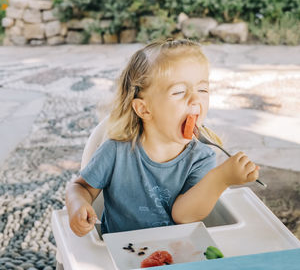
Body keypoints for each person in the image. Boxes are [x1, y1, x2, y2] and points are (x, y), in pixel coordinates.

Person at [66, 39, 259, 237]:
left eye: (202, 90)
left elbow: (183, 215)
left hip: (174, 250)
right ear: (144, 109)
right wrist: (78, 204)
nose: (195, 99)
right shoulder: (116, 151)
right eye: (179, 92)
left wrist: (221, 179)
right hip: (117, 253)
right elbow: (80, 187)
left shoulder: (201, 157)